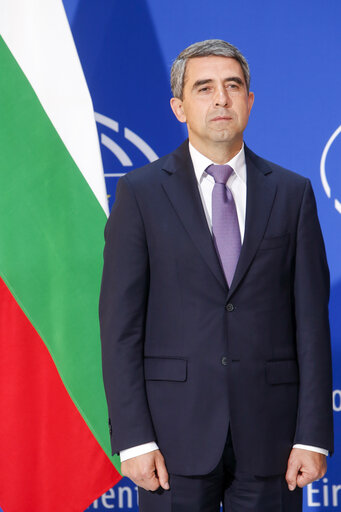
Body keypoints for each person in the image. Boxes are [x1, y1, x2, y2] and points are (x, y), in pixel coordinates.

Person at [99, 39, 333, 511]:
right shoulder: (140, 194)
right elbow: (121, 326)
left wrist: (313, 436)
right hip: (170, 443)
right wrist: (134, 439)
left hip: (272, 442)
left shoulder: (293, 194)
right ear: (179, 107)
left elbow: (311, 325)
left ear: (250, 100)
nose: (221, 99)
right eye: (204, 88)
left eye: (233, 86)